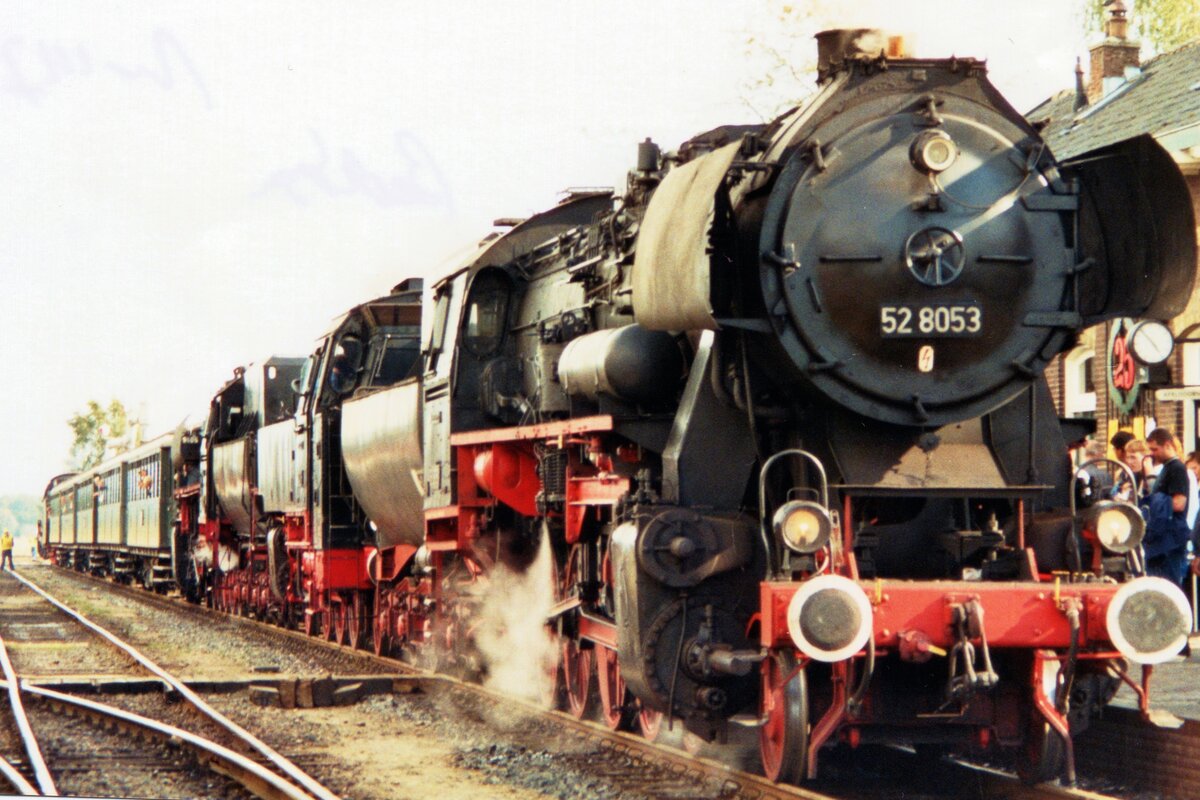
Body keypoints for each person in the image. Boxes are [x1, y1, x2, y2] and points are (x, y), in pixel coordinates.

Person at [1142, 428, 1190, 586]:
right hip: (1165, 538)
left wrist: (1154, 502)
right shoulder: (1167, 468)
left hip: (1171, 538)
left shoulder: (1177, 469)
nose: (1152, 454)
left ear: (1168, 445)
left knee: (1169, 585)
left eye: (1155, 449)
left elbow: (1179, 503)